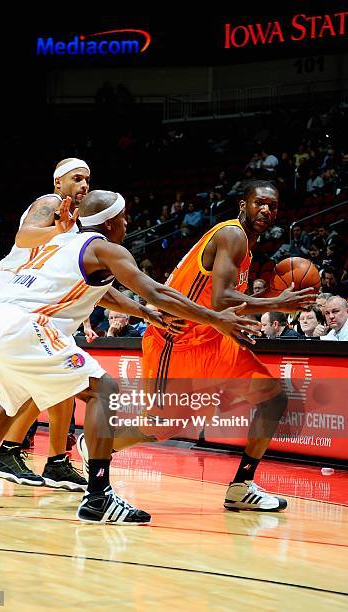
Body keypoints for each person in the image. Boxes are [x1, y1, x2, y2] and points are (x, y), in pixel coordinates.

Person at [0, 189, 259, 525]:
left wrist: (144, 314)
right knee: (104, 389)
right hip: (25, 326)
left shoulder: (62, 242)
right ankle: (99, 497)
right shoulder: (103, 248)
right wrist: (215, 318)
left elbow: (102, 292)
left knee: (15, 403)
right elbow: (157, 291)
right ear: (110, 222)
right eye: (123, 218)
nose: (126, 223)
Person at [77, 181, 317, 513]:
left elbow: (219, 303)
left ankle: (240, 487)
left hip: (213, 337)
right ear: (241, 205)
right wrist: (278, 302)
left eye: (272, 206)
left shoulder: (246, 243)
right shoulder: (231, 235)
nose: (266, 210)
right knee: (160, 428)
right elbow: (221, 299)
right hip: (176, 340)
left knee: (273, 398)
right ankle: (98, 444)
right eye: (259, 203)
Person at [0, 158, 96, 490]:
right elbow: (24, 236)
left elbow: (72, 278)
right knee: (52, 377)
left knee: (64, 379)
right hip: (15, 294)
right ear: (58, 182)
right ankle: (8, 451)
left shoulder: (76, 226)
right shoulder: (49, 204)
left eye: (88, 180)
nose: (85, 185)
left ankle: (57, 460)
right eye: (77, 178)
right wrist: (57, 230)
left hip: (44, 304)